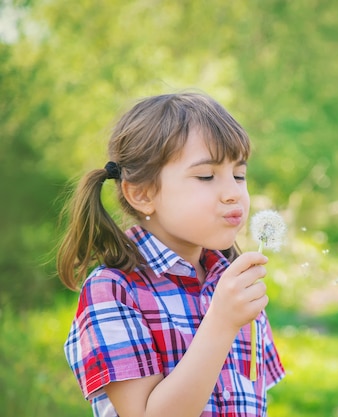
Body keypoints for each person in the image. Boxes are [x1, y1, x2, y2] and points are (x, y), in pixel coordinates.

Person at [56, 91, 285, 417]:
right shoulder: (114, 291)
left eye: (239, 175)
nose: (234, 193)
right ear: (142, 194)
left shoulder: (230, 284)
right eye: (206, 176)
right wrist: (221, 323)